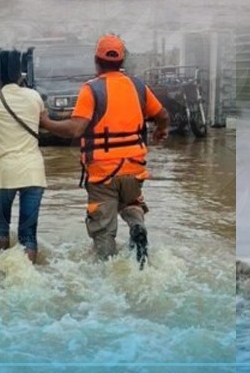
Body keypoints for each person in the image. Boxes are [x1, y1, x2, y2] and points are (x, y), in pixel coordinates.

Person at [39, 35, 169, 264]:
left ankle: (107, 272)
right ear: (122, 61)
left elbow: (75, 129)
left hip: (102, 174)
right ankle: (137, 226)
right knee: (132, 203)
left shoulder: (91, 89)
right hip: (134, 169)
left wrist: (46, 123)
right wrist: (161, 130)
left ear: (96, 60)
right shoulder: (138, 86)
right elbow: (163, 115)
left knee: (103, 230)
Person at [0, 49, 47, 263]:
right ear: (20, 75)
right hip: (33, 173)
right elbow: (45, 122)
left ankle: (2, 271)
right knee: (28, 234)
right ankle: (28, 273)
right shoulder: (35, 97)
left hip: (5, 173)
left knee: (1, 227)